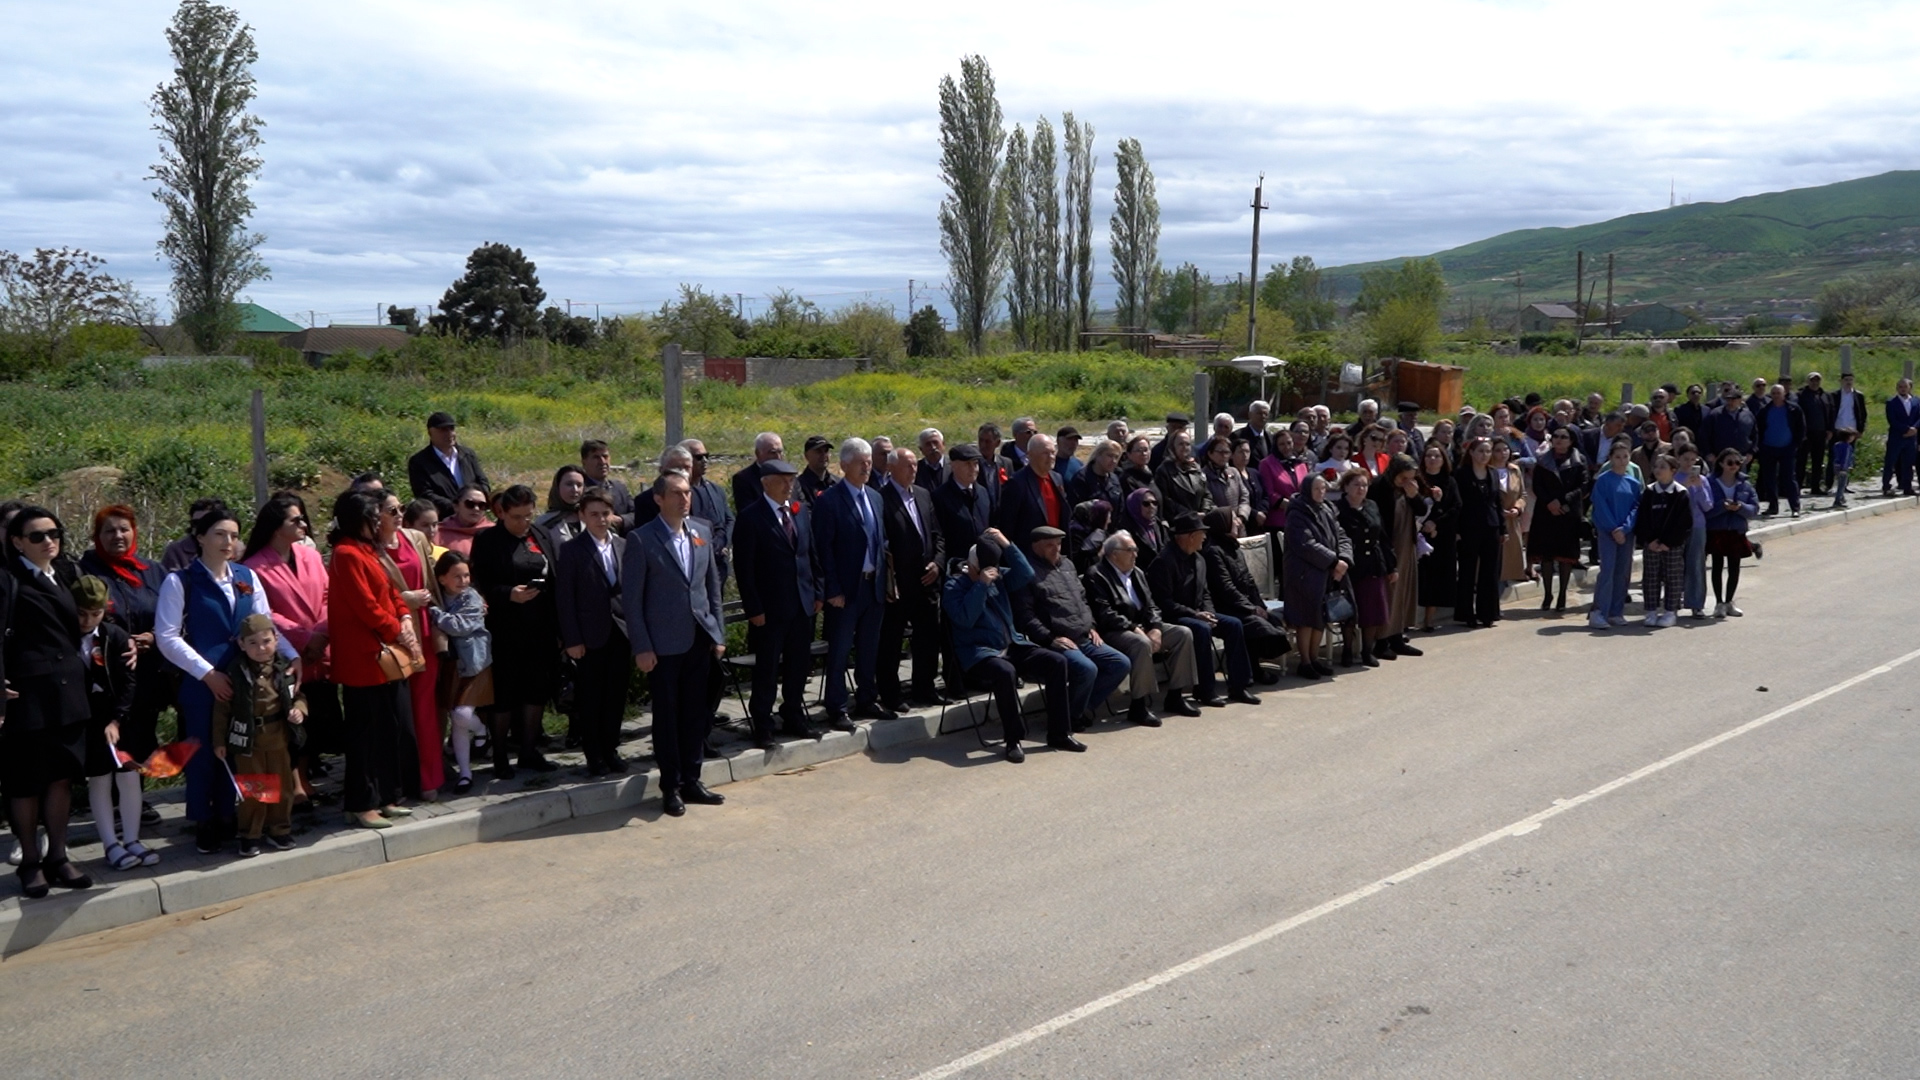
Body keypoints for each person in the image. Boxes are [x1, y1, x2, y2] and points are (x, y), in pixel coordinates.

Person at [156, 506, 302, 852]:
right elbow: (166, 636)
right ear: (200, 537)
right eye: (220, 534)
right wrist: (207, 674)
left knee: (249, 750)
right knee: (206, 751)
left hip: (246, 680)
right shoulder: (181, 581)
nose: (228, 542)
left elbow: (264, 624)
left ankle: (252, 820)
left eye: (234, 535)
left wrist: (291, 655)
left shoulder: (245, 577)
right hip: (202, 681)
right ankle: (206, 820)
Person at [623, 472, 729, 816]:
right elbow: (633, 601)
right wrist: (642, 645)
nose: (685, 499)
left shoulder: (699, 531)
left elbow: (712, 587)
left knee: (695, 713)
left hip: (699, 638)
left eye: (687, 493)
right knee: (667, 717)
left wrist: (718, 633)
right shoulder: (642, 539)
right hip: (663, 644)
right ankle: (670, 786)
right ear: (659, 498)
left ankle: (692, 779)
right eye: (676, 493)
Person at [2, 510, 94, 896]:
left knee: (61, 777)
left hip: (68, 692)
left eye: (53, 533)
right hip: (27, 696)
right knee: (25, 783)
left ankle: (58, 855)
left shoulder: (66, 575)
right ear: (17, 542)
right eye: (37, 536)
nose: (47, 542)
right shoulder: (8, 580)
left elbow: (90, 623)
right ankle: (30, 861)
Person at [325, 489, 420, 830]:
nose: (380, 520)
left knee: (387, 729)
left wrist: (404, 619)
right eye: (373, 515)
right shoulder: (346, 554)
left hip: (382, 652)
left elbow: (392, 591)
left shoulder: (369, 550)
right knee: (364, 734)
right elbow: (366, 607)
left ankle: (386, 796)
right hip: (362, 658)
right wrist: (398, 629)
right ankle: (361, 802)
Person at [240, 494, 341, 808]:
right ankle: (296, 785)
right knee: (291, 720)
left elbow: (328, 594)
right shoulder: (254, 566)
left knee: (318, 718)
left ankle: (307, 779)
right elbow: (265, 612)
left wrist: (321, 633)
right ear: (274, 528)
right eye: (294, 520)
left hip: (320, 650)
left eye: (303, 518)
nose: (303, 524)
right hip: (286, 653)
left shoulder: (310, 556)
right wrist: (303, 637)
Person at [943, 530, 1077, 763]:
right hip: (979, 653)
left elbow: (1026, 572)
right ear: (972, 567)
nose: (993, 575)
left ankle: (1059, 733)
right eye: (986, 571)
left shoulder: (1000, 577)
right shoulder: (955, 586)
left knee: (1057, 661)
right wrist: (981, 586)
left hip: (1011, 643)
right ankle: (1013, 739)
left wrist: (1006, 544)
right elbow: (965, 618)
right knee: (1005, 672)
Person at [79, 505, 172, 819]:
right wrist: (121, 639)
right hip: (107, 673)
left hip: (150, 671)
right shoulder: (86, 572)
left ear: (134, 532)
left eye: (124, 529)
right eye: (109, 530)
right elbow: (84, 619)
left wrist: (155, 637)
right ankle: (113, 805)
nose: (118, 536)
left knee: (143, 735)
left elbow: (173, 614)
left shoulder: (152, 571)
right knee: (113, 737)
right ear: (97, 536)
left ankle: (136, 802)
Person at [469, 485, 559, 778]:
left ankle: (529, 750)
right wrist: (509, 593)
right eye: (516, 517)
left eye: (528, 516)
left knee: (536, 690)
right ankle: (500, 757)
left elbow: (553, 573)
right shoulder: (488, 539)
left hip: (540, 627)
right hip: (506, 629)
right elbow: (479, 583)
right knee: (505, 694)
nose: (523, 523)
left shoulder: (540, 535)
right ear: (502, 513)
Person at [734, 459, 824, 745]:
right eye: (783, 480)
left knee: (798, 665)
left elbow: (811, 554)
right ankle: (762, 722)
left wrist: (818, 591)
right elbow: (745, 570)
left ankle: (793, 713)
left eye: (792, 479)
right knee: (768, 668)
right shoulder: (751, 517)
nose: (789, 485)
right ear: (766, 482)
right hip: (770, 609)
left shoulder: (799, 512)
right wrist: (754, 608)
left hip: (801, 603)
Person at [1012, 526, 1133, 731]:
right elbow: (1026, 616)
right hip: (1057, 640)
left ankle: (1076, 709)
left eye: (1058, 544)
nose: (1056, 549)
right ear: (1035, 546)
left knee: (1120, 663)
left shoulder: (1067, 564)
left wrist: (1091, 626)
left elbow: (1082, 600)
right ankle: (1071, 716)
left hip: (1084, 635)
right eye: (1050, 545)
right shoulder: (1028, 573)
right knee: (1087, 669)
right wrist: (1050, 638)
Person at [73, 576, 155, 871]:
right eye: (81, 613)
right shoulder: (64, 637)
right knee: (100, 778)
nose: (87, 620)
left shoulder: (115, 636)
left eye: (94, 614)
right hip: (86, 719)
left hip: (119, 717)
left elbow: (128, 681)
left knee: (129, 775)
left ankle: (132, 839)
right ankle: (110, 842)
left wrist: (117, 719)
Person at [210, 615, 305, 857]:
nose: (261, 648)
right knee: (254, 789)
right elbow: (223, 710)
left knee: (282, 787)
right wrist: (219, 741)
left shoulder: (284, 669)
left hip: (278, 737)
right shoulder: (236, 672)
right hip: (248, 740)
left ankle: (279, 829)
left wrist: (299, 711)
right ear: (241, 644)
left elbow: (298, 697)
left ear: (276, 639)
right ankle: (251, 834)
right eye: (252, 643)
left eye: (266, 641)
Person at [813, 437, 891, 728]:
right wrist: (832, 589)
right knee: (840, 650)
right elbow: (824, 549)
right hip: (845, 591)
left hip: (873, 586)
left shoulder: (875, 497)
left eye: (869, 462)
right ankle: (837, 706)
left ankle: (867, 698)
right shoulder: (829, 501)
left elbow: (880, 541)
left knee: (869, 648)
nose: (866, 467)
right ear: (844, 465)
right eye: (860, 462)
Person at [1083, 530, 1201, 722]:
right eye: (1130, 550)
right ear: (1114, 554)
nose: (1135, 554)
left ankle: (1175, 696)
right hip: (1115, 631)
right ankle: (1139, 705)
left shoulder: (1137, 572)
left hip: (1142, 626)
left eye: (1136, 550)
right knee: (1141, 643)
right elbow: (1105, 614)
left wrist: (1155, 627)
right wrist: (1134, 628)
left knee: (1183, 633)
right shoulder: (1096, 575)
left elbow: (1151, 604)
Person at [555, 487, 630, 777]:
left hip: (620, 633)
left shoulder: (623, 544)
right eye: (594, 514)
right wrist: (572, 639)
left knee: (615, 696)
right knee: (591, 698)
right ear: (582, 515)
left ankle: (611, 748)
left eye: (605, 513)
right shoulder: (572, 550)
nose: (600, 519)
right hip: (589, 636)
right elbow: (565, 598)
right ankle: (594, 755)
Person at [1148, 513, 1260, 705]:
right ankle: (1205, 690)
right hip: (1175, 616)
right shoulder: (1163, 562)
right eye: (1201, 533)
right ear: (1190, 536)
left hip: (1199, 612)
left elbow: (1205, 592)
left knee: (1234, 625)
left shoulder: (1199, 559)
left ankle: (1238, 687)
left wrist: (1208, 612)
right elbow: (1164, 603)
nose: (1205, 537)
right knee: (1201, 629)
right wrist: (1196, 615)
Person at [377, 490, 441, 800]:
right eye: (391, 510)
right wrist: (405, 600)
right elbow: (372, 595)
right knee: (399, 715)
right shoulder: (370, 548)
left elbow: (432, 579)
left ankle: (429, 779)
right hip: (392, 639)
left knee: (425, 710)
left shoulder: (415, 538)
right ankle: (401, 781)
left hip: (424, 634)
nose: (399, 514)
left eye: (400, 508)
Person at [877, 448, 946, 713]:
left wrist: (938, 564)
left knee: (928, 637)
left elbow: (937, 534)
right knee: (892, 641)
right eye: (907, 466)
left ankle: (924, 688)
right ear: (892, 468)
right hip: (900, 584)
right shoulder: (882, 499)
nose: (913, 470)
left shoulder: (923, 494)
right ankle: (891, 694)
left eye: (914, 466)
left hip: (927, 580)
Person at [1199, 509, 1288, 679]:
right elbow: (1226, 588)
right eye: (1233, 519)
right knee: (1254, 623)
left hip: (1242, 603)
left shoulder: (1234, 547)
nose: (1238, 522)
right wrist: (1251, 608)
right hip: (1225, 605)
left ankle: (1254, 667)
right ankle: (1251, 671)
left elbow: (1249, 581)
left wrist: (1259, 605)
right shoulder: (1213, 551)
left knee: (1271, 620)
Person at [428, 551, 491, 794]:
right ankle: (465, 773)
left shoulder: (472, 599)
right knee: (457, 720)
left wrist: (435, 612)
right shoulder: (439, 596)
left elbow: (458, 627)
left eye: (466, 575)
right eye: (457, 576)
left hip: (475, 663)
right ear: (442, 578)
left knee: (463, 715)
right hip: (452, 666)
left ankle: (482, 730)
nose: (464, 581)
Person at [1282, 477, 1349, 679]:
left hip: (1325, 572)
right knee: (1306, 618)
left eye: (1323, 488)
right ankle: (1305, 661)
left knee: (1320, 616)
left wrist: (1344, 559)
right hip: (1303, 575)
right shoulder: (1297, 513)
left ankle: (1314, 658)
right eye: (1317, 489)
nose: (1321, 492)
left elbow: (1341, 535)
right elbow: (1305, 543)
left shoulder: (1327, 509)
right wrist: (1333, 562)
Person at [1333, 469, 1396, 667]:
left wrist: (1392, 566)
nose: (1361, 489)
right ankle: (1347, 652)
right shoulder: (1337, 509)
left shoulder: (1372, 506)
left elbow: (1383, 537)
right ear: (1345, 487)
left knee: (1372, 612)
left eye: (1364, 485)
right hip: (1350, 566)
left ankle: (1367, 651)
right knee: (1349, 612)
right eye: (1356, 485)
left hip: (1373, 565)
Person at [1527, 427, 1588, 617]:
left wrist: (1563, 501)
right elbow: (1537, 485)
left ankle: (1562, 595)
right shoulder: (1543, 461)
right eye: (1556, 436)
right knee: (1546, 556)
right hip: (1546, 512)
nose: (1559, 440)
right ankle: (1547, 595)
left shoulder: (1579, 461)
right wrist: (1550, 502)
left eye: (1564, 437)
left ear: (1571, 441)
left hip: (1568, 512)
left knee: (1565, 556)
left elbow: (1583, 486)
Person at [1369, 456, 1426, 656]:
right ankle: (1382, 641)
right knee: (1389, 593)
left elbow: (1422, 509)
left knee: (1403, 592)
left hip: (1406, 545)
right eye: (1403, 477)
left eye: (1411, 478)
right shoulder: (1379, 487)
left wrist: (1413, 495)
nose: (1407, 482)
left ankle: (1397, 637)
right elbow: (1378, 521)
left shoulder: (1409, 488)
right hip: (1388, 546)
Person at [1587, 438, 1643, 630]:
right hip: (1607, 532)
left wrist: (1625, 528)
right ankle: (1598, 611)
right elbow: (1600, 507)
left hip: (1626, 533)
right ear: (1610, 458)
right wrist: (1613, 528)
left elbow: (1636, 507)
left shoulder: (1633, 483)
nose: (1621, 460)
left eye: (1625, 456)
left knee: (1623, 572)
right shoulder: (1603, 480)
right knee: (1608, 570)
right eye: (1617, 457)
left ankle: (1616, 612)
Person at [1452, 438, 1505, 629]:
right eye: (1481, 451)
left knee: (1489, 571)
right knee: (1467, 570)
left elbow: (1497, 502)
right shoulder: (1461, 474)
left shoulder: (1493, 473)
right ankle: (1466, 613)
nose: (1485, 455)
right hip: (1469, 527)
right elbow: (1457, 504)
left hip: (1491, 526)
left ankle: (1488, 612)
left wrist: (1503, 528)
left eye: (1488, 451)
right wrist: (1457, 530)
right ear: (1472, 453)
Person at [1634, 455, 1691, 628]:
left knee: (1672, 577)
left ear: (1673, 470)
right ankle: (1651, 611)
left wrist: (1668, 542)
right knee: (1651, 577)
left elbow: (1684, 523)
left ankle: (1670, 611)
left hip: (1672, 545)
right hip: (1651, 544)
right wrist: (1649, 540)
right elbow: (1642, 519)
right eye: (1656, 466)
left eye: (1663, 467)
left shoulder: (1681, 493)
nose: (1658, 470)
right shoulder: (1649, 492)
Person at [995, 433, 1071, 557]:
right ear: (1030, 455)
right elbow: (1007, 526)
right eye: (1045, 453)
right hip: (1031, 555)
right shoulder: (1017, 483)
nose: (1051, 457)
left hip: (1056, 553)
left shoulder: (1057, 478)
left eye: (1053, 452)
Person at [1705, 448, 1759, 617]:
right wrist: (1722, 507)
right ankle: (1719, 603)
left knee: (1734, 567)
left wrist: (1740, 508)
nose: (1734, 466)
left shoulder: (1745, 484)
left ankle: (1729, 601)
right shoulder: (1710, 482)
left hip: (1736, 530)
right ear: (1721, 463)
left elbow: (1754, 508)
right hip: (1717, 530)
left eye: (1737, 462)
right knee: (1717, 566)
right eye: (1730, 462)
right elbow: (1706, 508)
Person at [1415, 444, 1460, 632]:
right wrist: (1424, 525)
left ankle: (1429, 619)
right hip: (1419, 535)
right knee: (1421, 578)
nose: (1432, 459)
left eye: (1437, 456)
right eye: (1429, 456)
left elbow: (1456, 508)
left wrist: (1436, 523)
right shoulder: (1417, 480)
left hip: (1441, 536)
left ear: (1443, 460)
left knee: (1436, 578)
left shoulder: (1450, 481)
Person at [407, 411, 488, 504]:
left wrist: (476, 502)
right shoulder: (419, 462)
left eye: (451, 428)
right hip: (443, 517)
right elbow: (424, 494)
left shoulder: (468, 455)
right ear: (430, 432)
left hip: (474, 512)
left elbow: (483, 482)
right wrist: (456, 507)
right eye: (443, 429)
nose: (449, 433)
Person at [932, 443, 995, 558]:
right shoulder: (940, 497)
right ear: (953, 466)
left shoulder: (983, 492)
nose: (973, 469)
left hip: (984, 562)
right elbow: (939, 536)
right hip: (957, 564)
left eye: (975, 464)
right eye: (967, 464)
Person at [1752, 383, 1805, 518]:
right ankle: (1773, 506)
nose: (1776, 396)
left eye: (1778, 393)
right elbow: (1758, 429)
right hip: (1768, 448)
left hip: (1787, 448)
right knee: (1769, 479)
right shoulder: (1765, 410)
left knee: (1788, 478)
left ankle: (1795, 507)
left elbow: (1801, 428)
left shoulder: (1793, 409)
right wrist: (1760, 447)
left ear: (1784, 394)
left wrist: (1795, 445)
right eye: (1773, 393)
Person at [1489, 438, 1528, 587]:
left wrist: (1517, 508)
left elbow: (1522, 495)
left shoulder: (1514, 470)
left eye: (1505, 450)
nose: (1502, 453)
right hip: (1494, 519)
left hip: (1511, 520)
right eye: (1498, 450)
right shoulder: (1487, 469)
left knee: (1510, 558)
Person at [1154, 431, 1214, 520]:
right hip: (1179, 521)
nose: (1185, 447)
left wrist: (1204, 511)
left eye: (1187, 444)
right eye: (1181, 444)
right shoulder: (1164, 471)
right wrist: (1191, 514)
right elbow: (1166, 500)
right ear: (1172, 447)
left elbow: (1207, 494)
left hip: (1201, 519)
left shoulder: (1196, 467)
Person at [160, 498, 231, 572]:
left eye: (205, 522)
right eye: (195, 522)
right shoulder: (177, 551)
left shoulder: (233, 548)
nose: (199, 526)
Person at [1795, 373, 1834, 496]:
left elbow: (1831, 413)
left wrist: (1830, 429)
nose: (1815, 383)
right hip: (1806, 434)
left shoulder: (1826, 396)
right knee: (1801, 461)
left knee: (1818, 461)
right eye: (1812, 380)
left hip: (1821, 433)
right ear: (1808, 381)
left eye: (1817, 380)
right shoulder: (1801, 395)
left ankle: (1815, 487)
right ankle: (1797, 487)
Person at [1201, 436, 1250, 534]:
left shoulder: (1234, 472)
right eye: (1220, 452)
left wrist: (1241, 517)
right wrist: (1229, 519)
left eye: (1227, 452)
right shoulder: (1203, 476)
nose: (1224, 456)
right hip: (1218, 527)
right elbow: (1208, 502)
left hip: (1239, 525)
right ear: (1210, 453)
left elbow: (1245, 496)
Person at [1831, 372, 1868, 497]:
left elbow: (1863, 414)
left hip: (1852, 431)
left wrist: (1860, 430)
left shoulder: (1858, 396)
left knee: (1848, 459)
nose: (1849, 382)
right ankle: (1830, 484)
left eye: (1851, 380)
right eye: (1846, 379)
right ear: (1841, 381)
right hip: (1837, 430)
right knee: (1834, 457)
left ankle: (1844, 485)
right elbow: (1831, 412)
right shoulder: (1835, 395)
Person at [579, 439, 636, 519]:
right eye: (596, 457)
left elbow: (636, 514)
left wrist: (621, 521)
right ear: (584, 462)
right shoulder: (579, 491)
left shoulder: (619, 488)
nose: (602, 462)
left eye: (605, 457)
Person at [731, 431, 786, 512]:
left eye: (780, 452)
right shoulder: (743, 479)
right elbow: (748, 513)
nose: (778, 457)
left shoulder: (789, 477)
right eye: (772, 452)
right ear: (758, 453)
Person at [1884, 378, 1919, 497]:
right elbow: (1892, 420)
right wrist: (1905, 429)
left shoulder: (1916, 401)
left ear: (1910, 388)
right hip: (1897, 436)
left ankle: (1907, 487)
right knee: (1890, 462)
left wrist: (1914, 429)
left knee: (1908, 463)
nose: (1902, 389)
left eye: (1905, 387)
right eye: (1900, 387)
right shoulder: (1891, 402)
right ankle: (1886, 486)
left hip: (1911, 438)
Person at [437, 485, 495, 558]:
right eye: (470, 504)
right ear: (456, 506)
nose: (476, 509)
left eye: (481, 505)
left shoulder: (495, 533)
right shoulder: (439, 532)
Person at [1121, 487, 1170, 571]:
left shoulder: (1157, 524)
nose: (1151, 507)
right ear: (1135, 505)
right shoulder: (1126, 530)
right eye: (1146, 504)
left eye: (1154, 503)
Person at [538, 465, 588, 545]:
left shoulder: (591, 516)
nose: (575, 489)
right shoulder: (545, 522)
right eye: (569, 484)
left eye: (579, 485)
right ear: (557, 486)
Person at [1704, 385, 1756, 462]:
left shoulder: (1748, 415)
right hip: (1719, 458)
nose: (1730, 402)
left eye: (1733, 399)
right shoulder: (1715, 415)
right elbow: (1704, 434)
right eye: (1728, 399)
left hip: (1741, 458)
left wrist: (1751, 452)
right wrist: (1708, 453)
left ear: (1740, 400)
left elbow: (1755, 435)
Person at [1069, 438, 1126, 509]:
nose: (1113, 461)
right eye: (1110, 456)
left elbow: (1121, 507)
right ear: (1098, 455)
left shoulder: (1114, 479)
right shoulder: (1082, 479)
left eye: (1116, 457)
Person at [1067, 499, 1111, 575]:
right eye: (1107, 517)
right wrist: (1098, 555)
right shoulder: (1074, 536)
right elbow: (1079, 565)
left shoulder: (1099, 533)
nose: (1110, 521)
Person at [798, 434, 839, 506]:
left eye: (826, 451)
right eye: (818, 451)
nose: (823, 455)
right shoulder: (799, 486)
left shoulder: (837, 483)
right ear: (806, 456)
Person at [1235, 401, 1274, 466]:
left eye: (1265, 414)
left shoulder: (1271, 438)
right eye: (1259, 413)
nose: (1263, 416)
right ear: (1250, 415)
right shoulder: (1238, 436)